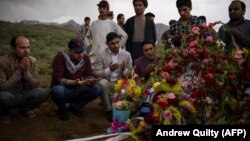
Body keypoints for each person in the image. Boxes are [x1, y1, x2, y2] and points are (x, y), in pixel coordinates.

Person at [50, 38, 102, 121]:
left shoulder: (85, 58)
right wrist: (74, 83)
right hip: (64, 89)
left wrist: (90, 80)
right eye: (77, 52)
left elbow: (88, 74)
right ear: (70, 51)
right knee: (56, 90)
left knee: (97, 88)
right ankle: (62, 108)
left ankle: (75, 107)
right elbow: (57, 79)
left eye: (82, 51)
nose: (81, 54)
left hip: (77, 88)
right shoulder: (60, 57)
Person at [0, 36, 49, 124]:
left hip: (25, 94)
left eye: (28, 47)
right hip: (10, 94)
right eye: (22, 47)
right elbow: (3, 87)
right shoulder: (3, 62)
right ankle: (5, 113)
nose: (26, 50)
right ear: (13, 48)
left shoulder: (32, 61)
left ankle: (25, 108)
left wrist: (26, 73)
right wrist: (18, 71)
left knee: (43, 92)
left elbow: (37, 84)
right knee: (2, 96)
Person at [94, 32, 132, 121]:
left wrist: (124, 70)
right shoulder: (100, 54)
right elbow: (96, 72)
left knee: (129, 84)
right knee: (101, 83)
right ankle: (108, 110)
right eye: (112, 43)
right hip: (108, 82)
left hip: (121, 82)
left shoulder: (126, 54)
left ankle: (122, 108)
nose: (116, 45)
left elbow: (130, 73)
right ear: (107, 44)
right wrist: (109, 70)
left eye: (118, 42)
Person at [84, 0, 128, 67]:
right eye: (100, 7)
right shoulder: (94, 23)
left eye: (104, 8)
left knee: (108, 74)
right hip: (95, 55)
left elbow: (124, 35)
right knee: (95, 74)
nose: (101, 9)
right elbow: (86, 36)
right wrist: (88, 45)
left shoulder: (112, 23)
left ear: (107, 10)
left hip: (108, 55)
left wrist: (118, 46)